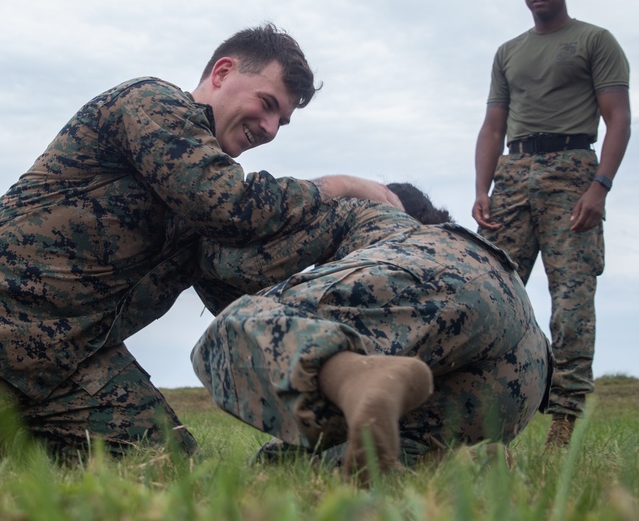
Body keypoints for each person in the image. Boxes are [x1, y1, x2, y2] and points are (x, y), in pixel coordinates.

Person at [0, 23, 401, 464]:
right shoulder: (151, 106)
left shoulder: (201, 184)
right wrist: (339, 187)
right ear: (222, 72)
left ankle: (25, 444)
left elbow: (231, 285)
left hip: (71, 360)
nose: (268, 128)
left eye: (281, 121)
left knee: (163, 463)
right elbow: (228, 205)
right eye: (266, 104)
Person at [192, 184, 551, 481]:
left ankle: (354, 377)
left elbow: (275, 219)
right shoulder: (492, 269)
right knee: (293, 467)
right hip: (521, 370)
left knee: (235, 325)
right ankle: (460, 468)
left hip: (438, 273)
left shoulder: (385, 219)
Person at [472, 0, 631, 447]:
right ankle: (484, 417)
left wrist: (599, 187)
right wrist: (482, 188)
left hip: (573, 172)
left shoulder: (594, 40)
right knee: (491, 294)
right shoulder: (508, 52)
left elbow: (618, 118)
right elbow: (493, 125)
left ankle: (564, 421)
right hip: (513, 176)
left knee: (572, 304)